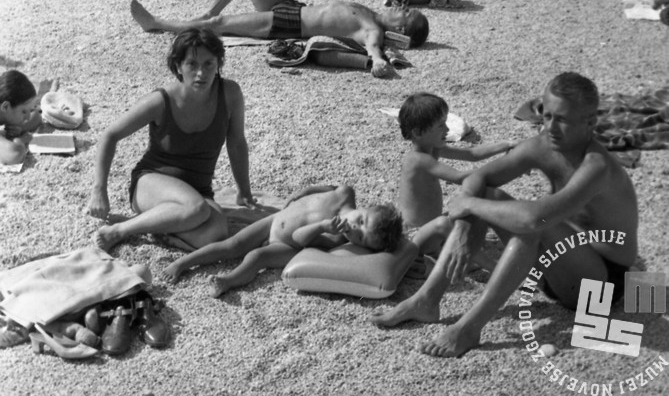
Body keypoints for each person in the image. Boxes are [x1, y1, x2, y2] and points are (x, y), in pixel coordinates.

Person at [372, 72, 639, 361]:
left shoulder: (596, 166)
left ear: (590, 122)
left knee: (528, 223)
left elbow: (533, 220)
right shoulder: (545, 144)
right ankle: (427, 299)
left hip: (600, 287)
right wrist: (463, 229)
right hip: (557, 270)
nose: (550, 127)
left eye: (562, 119)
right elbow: (480, 177)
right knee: (488, 195)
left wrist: (470, 207)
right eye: (546, 116)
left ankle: (469, 328)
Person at [88, 27, 255, 252]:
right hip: (152, 183)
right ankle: (121, 230)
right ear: (178, 66)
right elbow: (110, 135)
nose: (201, 73)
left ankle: (160, 225)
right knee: (196, 210)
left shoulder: (230, 94)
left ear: (218, 64)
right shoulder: (161, 101)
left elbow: (236, 143)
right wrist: (99, 190)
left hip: (198, 190)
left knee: (217, 233)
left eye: (209, 64)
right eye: (192, 64)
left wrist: (244, 191)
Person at [130, 0, 429, 79]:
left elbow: (374, 51)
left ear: (400, 28)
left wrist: (378, 62)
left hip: (289, 24)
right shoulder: (371, 13)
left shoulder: (371, 28)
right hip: (291, 7)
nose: (398, 6)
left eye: (403, 12)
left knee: (219, 27)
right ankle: (209, 12)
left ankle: (156, 23)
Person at [164, 184, 404, 293]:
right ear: (366, 207)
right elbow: (318, 189)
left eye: (360, 238)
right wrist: (302, 193)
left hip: (286, 245)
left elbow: (300, 239)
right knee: (230, 245)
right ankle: (182, 263)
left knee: (256, 257)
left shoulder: (335, 238)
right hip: (275, 219)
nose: (354, 227)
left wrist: (321, 226)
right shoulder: (344, 193)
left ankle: (228, 281)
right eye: (361, 221)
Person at [397, 93, 513, 256]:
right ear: (418, 132)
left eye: (445, 123)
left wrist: (505, 145)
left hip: (432, 227)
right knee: (471, 209)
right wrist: (509, 166)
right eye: (440, 126)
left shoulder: (434, 148)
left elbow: (472, 154)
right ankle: (481, 263)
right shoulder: (417, 160)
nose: (447, 129)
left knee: (473, 210)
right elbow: (460, 178)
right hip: (416, 235)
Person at [0, 71, 38, 166]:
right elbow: (14, 154)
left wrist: (22, 128)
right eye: (24, 111)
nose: (28, 116)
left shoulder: (6, 112)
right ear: (5, 107)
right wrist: (20, 139)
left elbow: (36, 116)